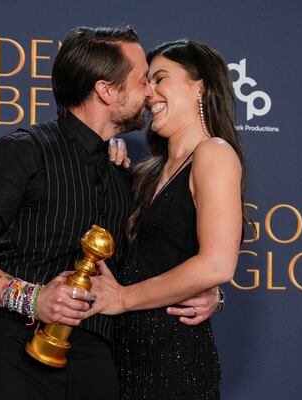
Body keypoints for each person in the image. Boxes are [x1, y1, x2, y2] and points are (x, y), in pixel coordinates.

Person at [0, 26, 220, 400]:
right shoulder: (24, 151)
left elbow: (151, 258)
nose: (150, 92)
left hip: (102, 362)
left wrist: (207, 291)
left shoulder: (126, 175)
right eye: (142, 80)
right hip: (13, 349)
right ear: (106, 90)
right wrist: (33, 298)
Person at [84, 40, 246, 400]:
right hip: (121, 356)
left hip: (174, 364)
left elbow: (218, 263)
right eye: (145, 82)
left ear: (200, 86)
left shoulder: (214, 154)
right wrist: (113, 177)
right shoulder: (145, 172)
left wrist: (124, 298)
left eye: (160, 78)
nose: (149, 92)